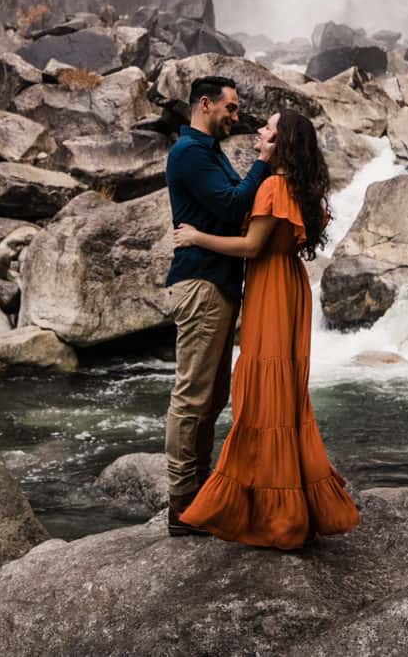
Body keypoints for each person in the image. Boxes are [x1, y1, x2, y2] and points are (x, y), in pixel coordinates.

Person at [172, 108, 360, 549]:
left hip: (272, 286)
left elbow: (252, 246)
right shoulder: (291, 184)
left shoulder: (274, 186)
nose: (258, 130)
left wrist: (196, 238)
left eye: (268, 128)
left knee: (267, 391)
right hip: (286, 284)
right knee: (281, 392)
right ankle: (284, 499)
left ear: (282, 143)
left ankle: (277, 514)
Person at [163, 74, 272, 537]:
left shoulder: (208, 152)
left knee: (210, 396)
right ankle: (182, 506)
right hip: (201, 283)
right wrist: (264, 162)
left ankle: (199, 493)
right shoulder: (189, 153)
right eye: (230, 108)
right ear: (204, 104)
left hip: (216, 283)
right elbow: (231, 206)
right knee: (193, 396)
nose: (236, 116)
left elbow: (236, 209)